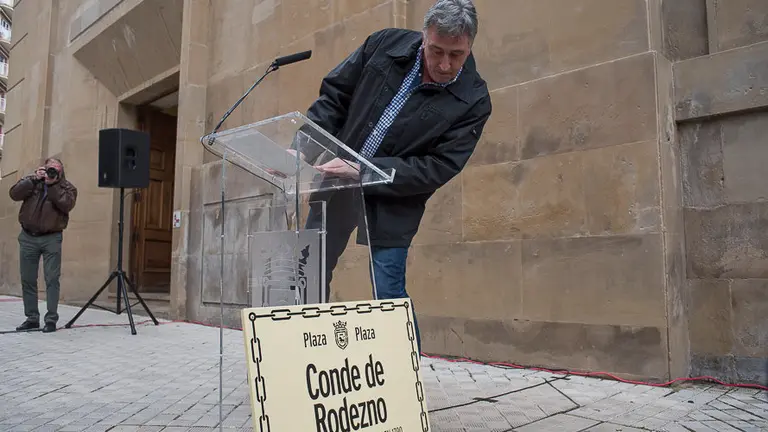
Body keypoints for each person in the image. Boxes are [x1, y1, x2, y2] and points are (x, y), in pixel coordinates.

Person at [297, 0, 492, 354]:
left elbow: (438, 167)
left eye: (456, 55)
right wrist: (302, 148)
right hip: (337, 183)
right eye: (436, 51)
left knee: (388, 291)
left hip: (393, 201)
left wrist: (365, 170)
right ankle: (310, 361)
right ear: (424, 36)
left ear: (470, 47)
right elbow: (336, 95)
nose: (444, 64)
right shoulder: (384, 44)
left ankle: (405, 373)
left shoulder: (474, 100)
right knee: (309, 274)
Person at [10, 158, 77, 333]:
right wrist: (32, 179)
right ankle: (32, 318)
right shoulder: (33, 182)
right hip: (28, 236)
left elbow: (66, 205)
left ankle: (51, 319)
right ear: (43, 168)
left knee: (52, 279)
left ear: (61, 172)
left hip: (51, 238)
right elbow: (14, 194)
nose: (51, 173)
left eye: (55, 170)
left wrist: (53, 185)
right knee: (28, 279)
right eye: (49, 169)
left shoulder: (67, 188)